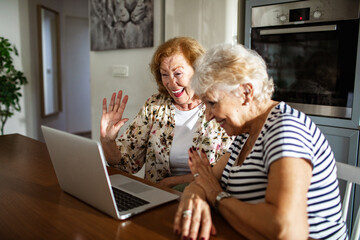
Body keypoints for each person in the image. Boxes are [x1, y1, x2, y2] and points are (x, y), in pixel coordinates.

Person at [173, 44, 347, 239]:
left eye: (212, 103)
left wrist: (216, 195)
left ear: (246, 93)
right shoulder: (245, 134)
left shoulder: (285, 129)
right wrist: (194, 194)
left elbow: (286, 231)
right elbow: (204, 180)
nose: (208, 116)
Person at [100, 37, 233, 190]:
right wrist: (108, 141)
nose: (171, 82)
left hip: (205, 195)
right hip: (158, 196)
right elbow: (126, 165)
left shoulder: (219, 107)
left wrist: (173, 182)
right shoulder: (154, 106)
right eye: (164, 74)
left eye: (178, 73)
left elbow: (228, 168)